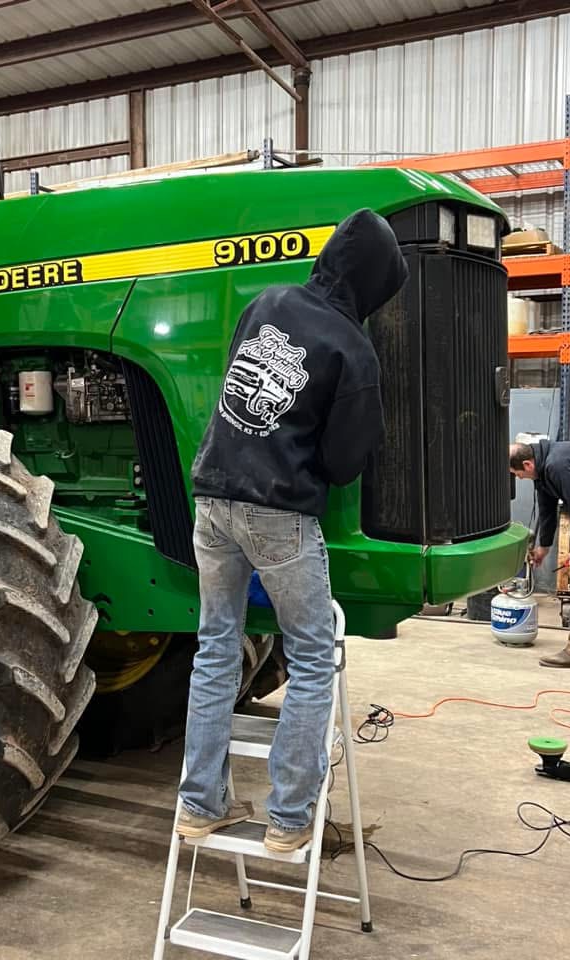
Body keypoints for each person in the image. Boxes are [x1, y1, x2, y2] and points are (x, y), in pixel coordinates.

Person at [176, 209, 409, 853]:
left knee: (215, 649)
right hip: (279, 513)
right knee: (311, 657)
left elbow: (233, 391)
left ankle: (200, 805)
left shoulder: (267, 301)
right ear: (373, 284)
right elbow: (342, 462)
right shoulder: (352, 349)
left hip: (213, 500)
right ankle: (288, 820)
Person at [510, 439, 570, 667]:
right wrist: (543, 548)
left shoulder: (556, 464)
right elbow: (547, 511)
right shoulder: (543, 470)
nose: (518, 479)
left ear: (527, 465)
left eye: (516, 474)